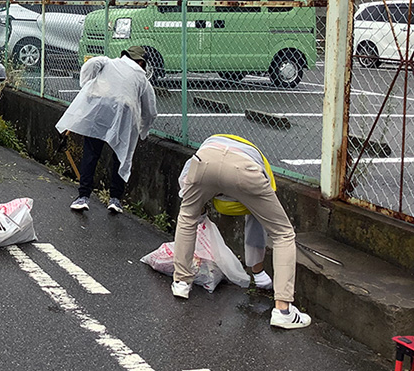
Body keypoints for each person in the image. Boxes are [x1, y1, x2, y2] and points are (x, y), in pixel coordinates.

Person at [171, 134, 312, 330]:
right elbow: (260, 220)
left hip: (205, 160)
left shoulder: (204, 149)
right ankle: (283, 311)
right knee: (283, 233)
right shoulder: (264, 171)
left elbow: (185, 185)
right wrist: (257, 269)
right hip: (245, 170)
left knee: (187, 217)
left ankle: (181, 283)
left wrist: (200, 210)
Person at [55, 46, 157, 213]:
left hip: (100, 110)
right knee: (121, 156)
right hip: (124, 114)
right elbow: (150, 110)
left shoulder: (109, 63)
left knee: (91, 153)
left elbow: (91, 64)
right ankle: (115, 199)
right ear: (140, 61)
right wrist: (143, 129)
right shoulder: (141, 77)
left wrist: (86, 86)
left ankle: (83, 196)